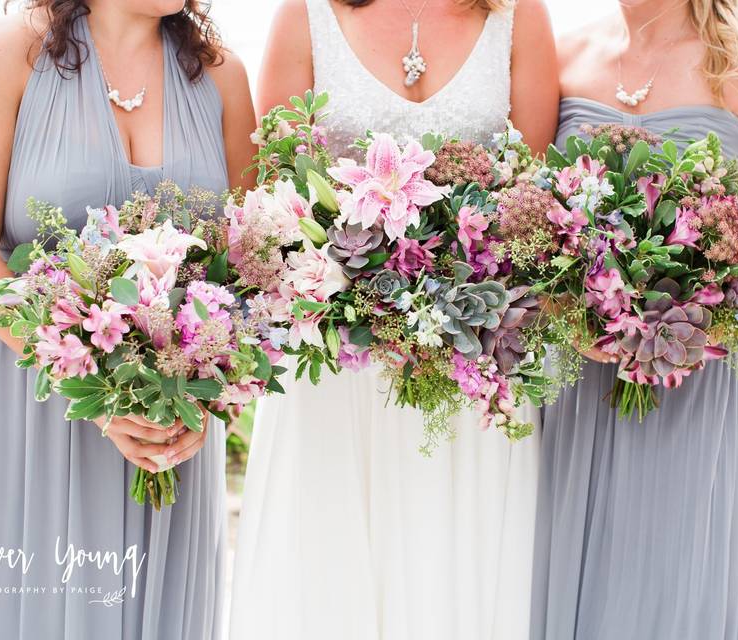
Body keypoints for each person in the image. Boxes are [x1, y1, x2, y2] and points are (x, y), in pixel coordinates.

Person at [0, 1, 255, 637]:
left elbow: (244, 268)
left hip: (163, 424)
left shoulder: (222, 76)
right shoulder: (3, 56)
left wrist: (209, 395)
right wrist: (92, 391)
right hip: (24, 403)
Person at [229, 1, 558, 639]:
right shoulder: (306, 14)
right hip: (338, 360)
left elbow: (533, 202)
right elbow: (271, 198)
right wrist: (362, 301)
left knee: (461, 562)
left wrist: (447, 300)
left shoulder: (519, 14)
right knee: (331, 578)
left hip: (470, 360)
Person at [529, 1, 738, 638]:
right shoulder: (559, 56)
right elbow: (528, 216)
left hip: (697, 380)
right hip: (578, 379)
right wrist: (568, 314)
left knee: (675, 584)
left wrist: (695, 330)